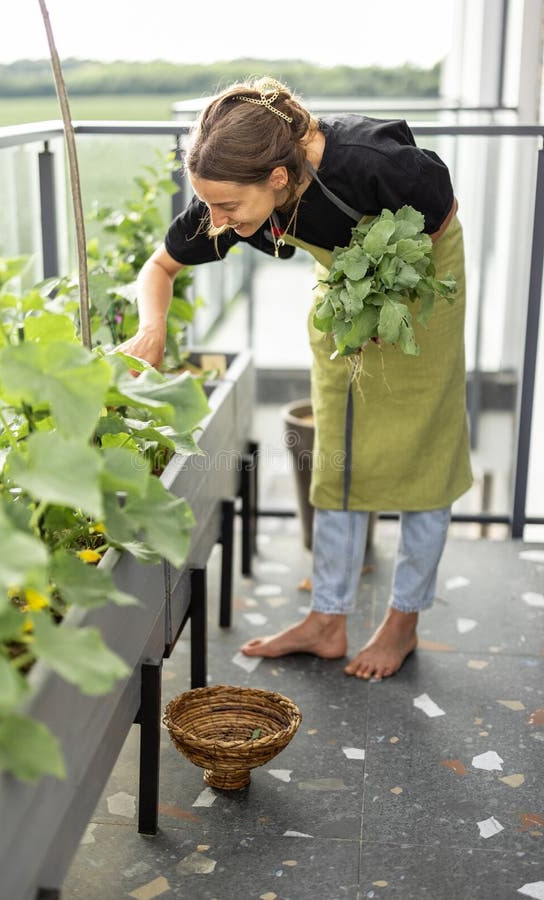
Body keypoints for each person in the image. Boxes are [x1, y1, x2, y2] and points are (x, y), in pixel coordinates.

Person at [116, 76, 473, 680]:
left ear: (278, 179)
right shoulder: (231, 196)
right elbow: (161, 265)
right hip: (344, 290)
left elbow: (440, 215)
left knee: (424, 457)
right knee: (337, 451)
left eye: (227, 207)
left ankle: (403, 621)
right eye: (207, 204)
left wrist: (391, 292)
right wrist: (151, 330)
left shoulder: (371, 163)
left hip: (421, 288)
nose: (217, 220)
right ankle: (327, 620)